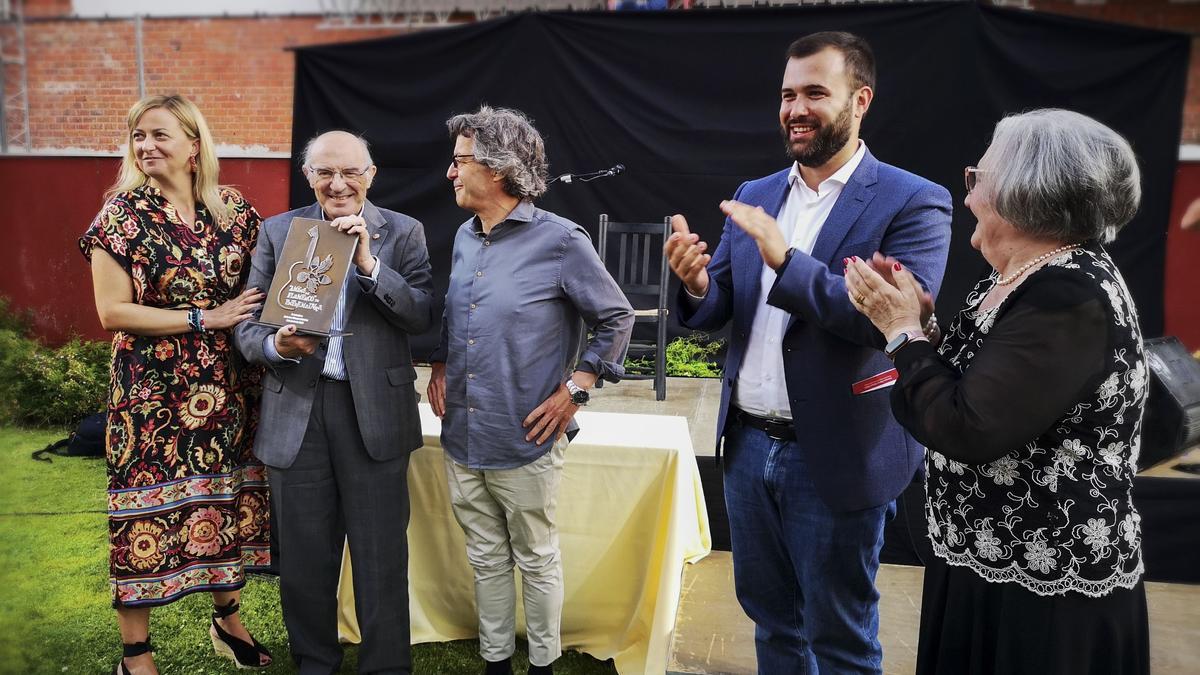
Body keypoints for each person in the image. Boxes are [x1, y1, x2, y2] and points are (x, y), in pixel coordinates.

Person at [666, 32, 952, 674]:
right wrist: (698, 285)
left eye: (815, 93)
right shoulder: (760, 191)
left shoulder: (914, 200)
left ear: (860, 101)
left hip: (837, 456)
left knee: (842, 640)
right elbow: (724, 309)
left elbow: (884, 323)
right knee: (772, 627)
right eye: (788, 94)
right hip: (745, 449)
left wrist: (785, 259)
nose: (795, 108)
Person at [846, 108, 1150, 675]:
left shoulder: (1068, 292)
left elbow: (967, 426)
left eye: (976, 179)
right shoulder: (1019, 277)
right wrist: (924, 324)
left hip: (1042, 598)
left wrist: (902, 333)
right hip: (987, 567)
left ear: (1023, 191)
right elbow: (983, 381)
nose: (968, 196)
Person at [426, 106, 634, 675]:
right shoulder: (467, 238)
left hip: (527, 436)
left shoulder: (561, 241)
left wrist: (577, 388)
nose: (450, 172)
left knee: (536, 559)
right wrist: (443, 361)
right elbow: (459, 313)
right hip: (463, 432)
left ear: (497, 170)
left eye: (460, 160)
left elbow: (616, 316)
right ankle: (496, 662)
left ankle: (540, 664)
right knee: (487, 558)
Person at [79, 94, 272, 675]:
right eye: (138, 137)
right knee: (142, 516)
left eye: (160, 135)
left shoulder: (235, 211)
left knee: (225, 502)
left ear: (194, 145)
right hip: (152, 399)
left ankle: (227, 620)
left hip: (231, 391)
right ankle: (135, 655)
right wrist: (203, 317)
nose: (146, 147)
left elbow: (272, 281)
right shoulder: (122, 216)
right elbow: (111, 312)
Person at [233, 130, 433, 675]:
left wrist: (369, 264)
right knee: (303, 559)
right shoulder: (278, 233)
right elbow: (246, 328)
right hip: (298, 409)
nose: (338, 183)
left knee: (380, 556)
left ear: (371, 176)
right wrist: (276, 344)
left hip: (374, 411)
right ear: (308, 177)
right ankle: (315, 663)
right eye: (325, 172)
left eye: (350, 173)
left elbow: (420, 314)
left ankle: (385, 666)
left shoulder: (403, 232)